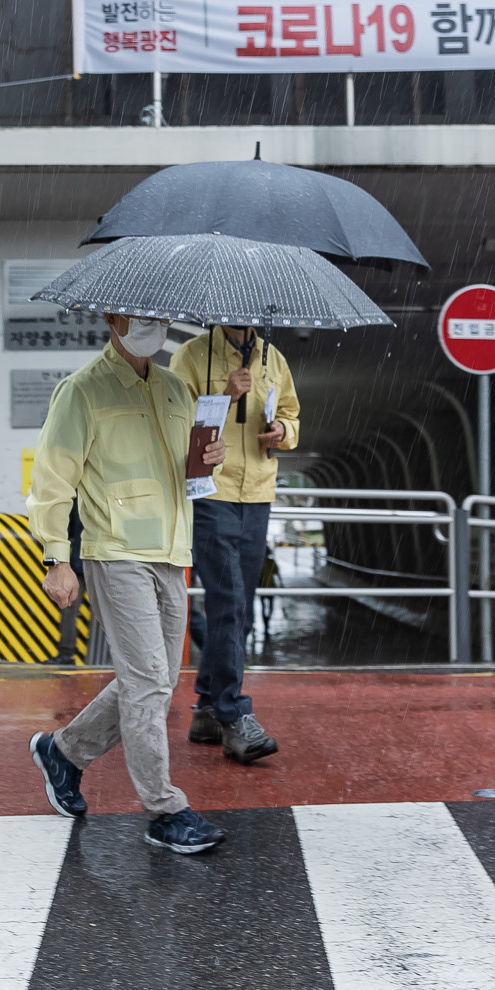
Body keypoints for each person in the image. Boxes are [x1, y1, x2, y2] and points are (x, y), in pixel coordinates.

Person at [25, 311, 229, 853]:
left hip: (171, 551)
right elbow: (51, 479)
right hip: (115, 551)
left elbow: (189, 477)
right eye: (141, 316)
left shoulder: (174, 388)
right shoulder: (82, 391)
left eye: (160, 316)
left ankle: (64, 752)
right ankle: (165, 810)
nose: (153, 324)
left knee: (155, 678)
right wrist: (55, 557)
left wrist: (210, 458)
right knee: (148, 682)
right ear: (113, 318)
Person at [169, 322, 298, 763]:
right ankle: (233, 714)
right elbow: (177, 424)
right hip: (211, 491)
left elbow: (293, 414)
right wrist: (225, 395)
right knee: (229, 602)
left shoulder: (273, 358)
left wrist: (282, 430)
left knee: (238, 609)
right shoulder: (190, 356)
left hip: (257, 494)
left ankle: (207, 708)